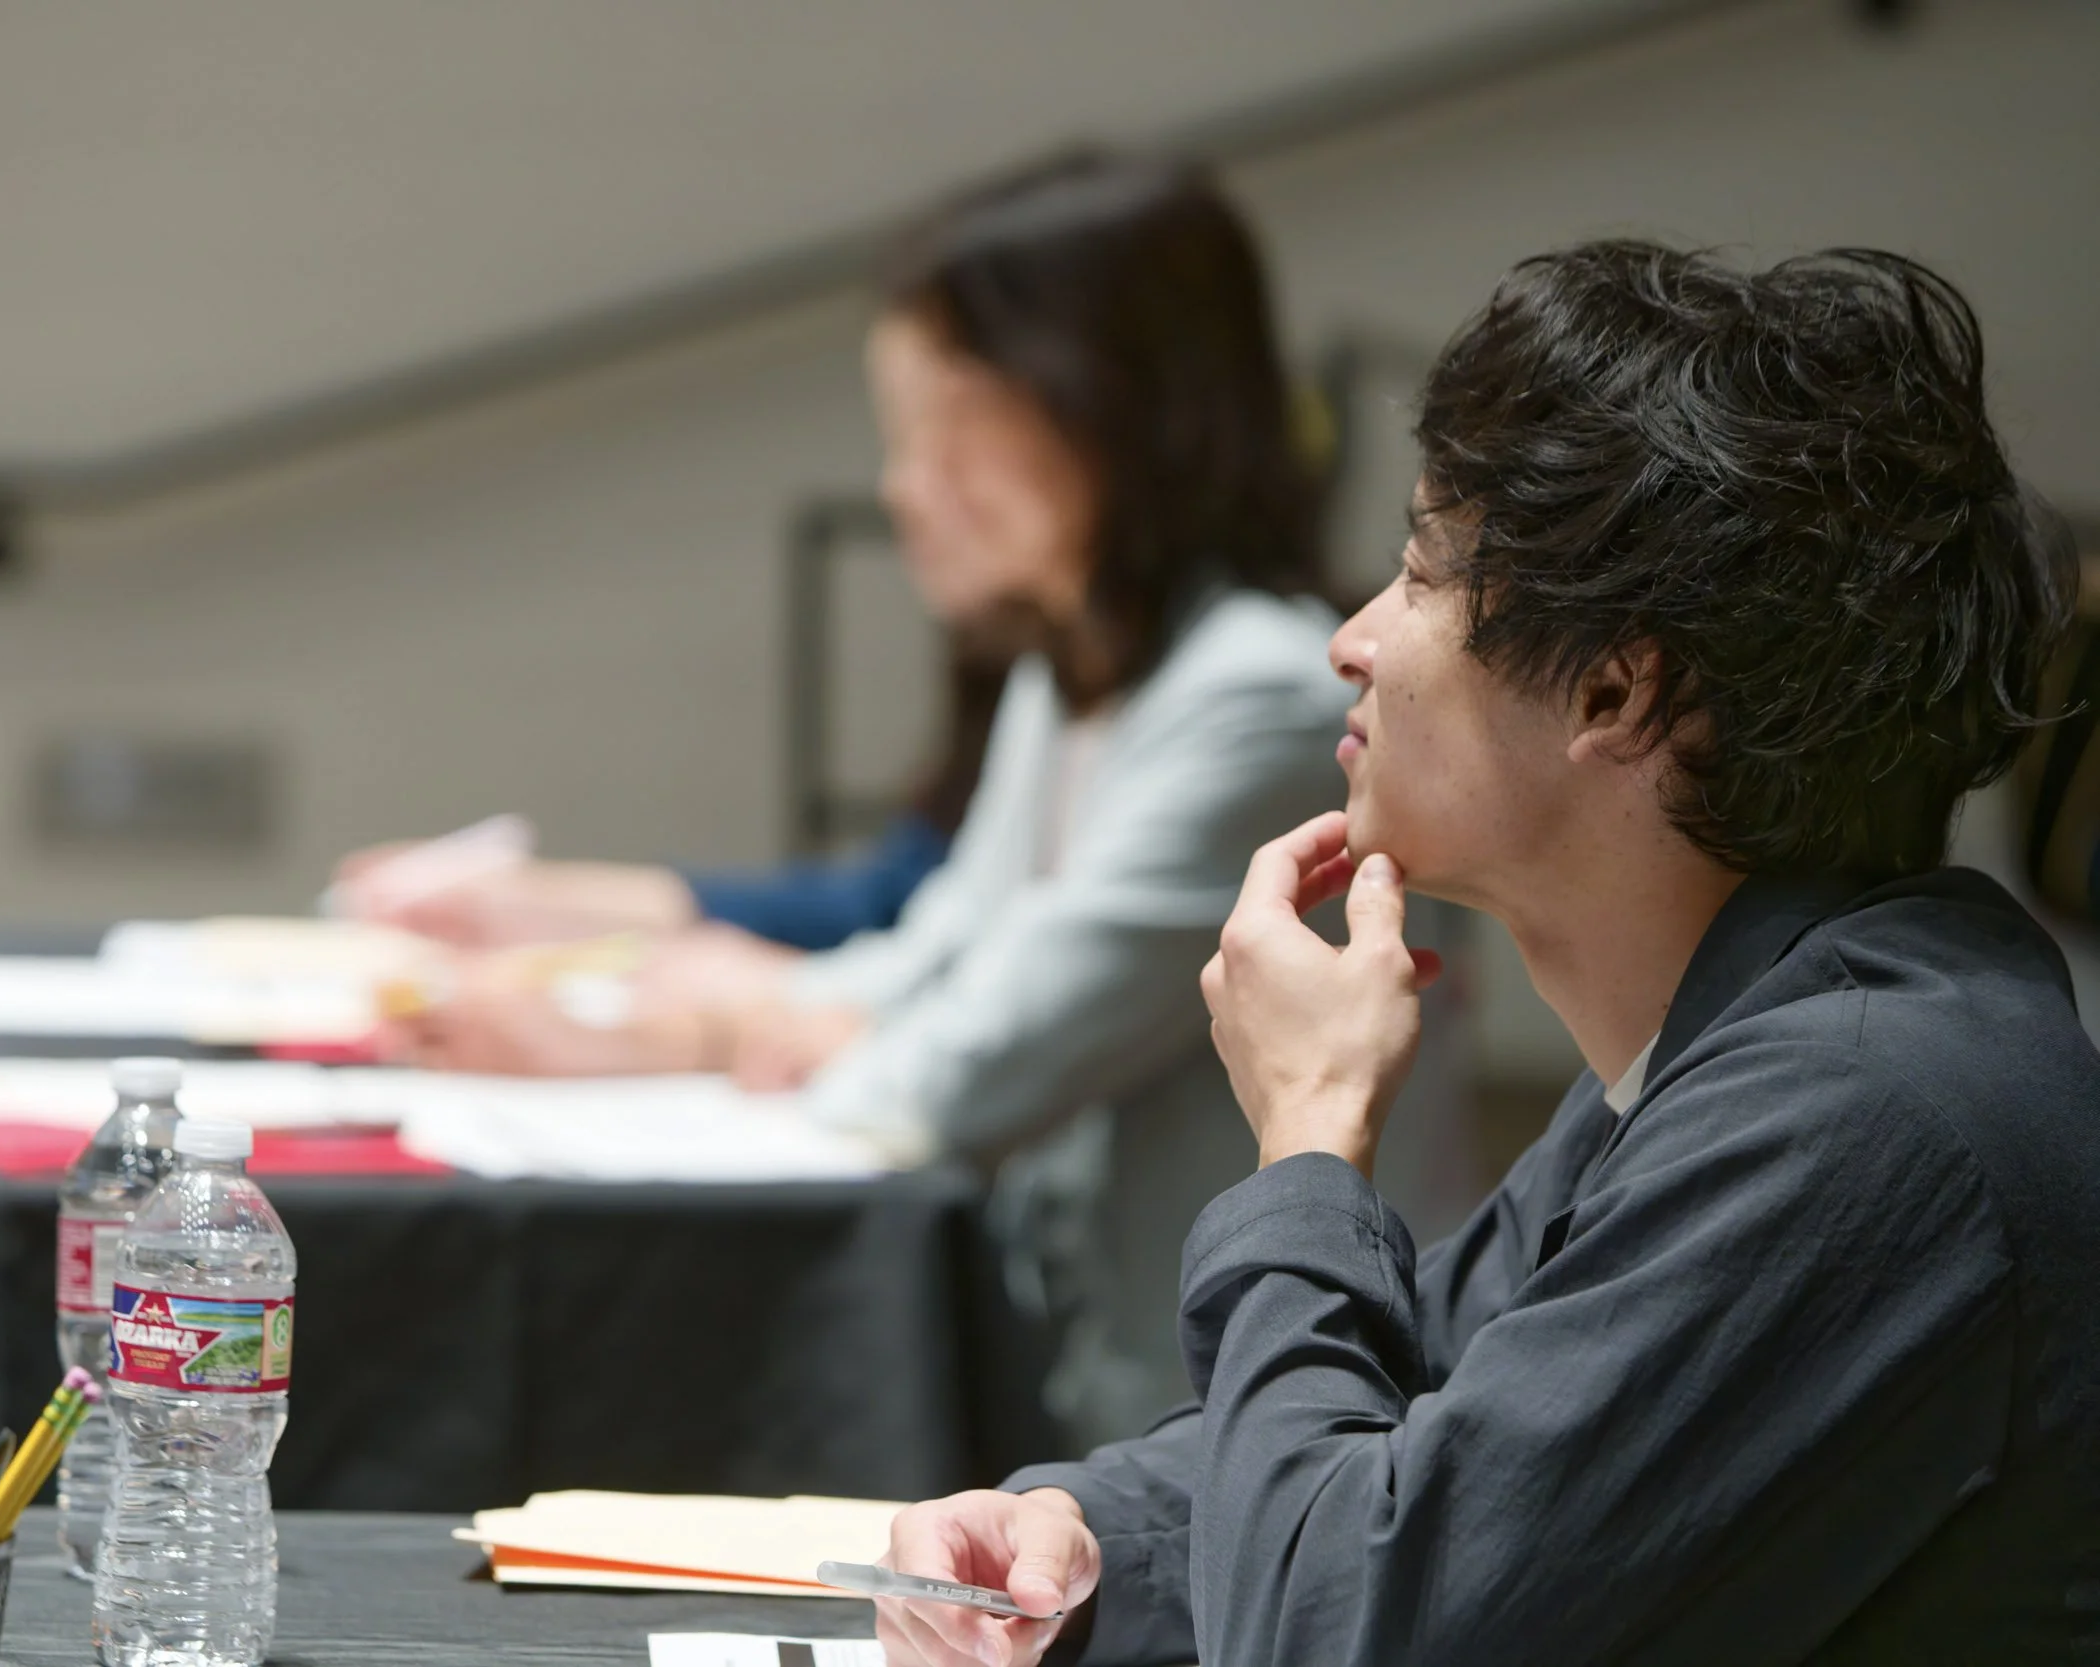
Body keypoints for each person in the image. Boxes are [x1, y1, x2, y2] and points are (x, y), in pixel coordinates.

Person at [871, 242, 2100, 1667]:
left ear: (1613, 687)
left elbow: (1344, 1627)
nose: (1353, 638)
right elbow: (1401, 1437)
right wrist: (1064, 1532)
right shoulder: (1751, 1036)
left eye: (1417, 572)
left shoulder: (1871, 1119)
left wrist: (1312, 1140)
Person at [379, 151, 1367, 1443]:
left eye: (952, 427)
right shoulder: (1079, 671)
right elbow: (943, 946)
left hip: (1223, 1405)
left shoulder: (1261, 695)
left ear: (1117, 407)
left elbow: (980, 1055)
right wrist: (677, 1008)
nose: (908, 486)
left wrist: (697, 1032)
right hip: (1093, 1362)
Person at [339, 628, 1011, 953]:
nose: (907, 488)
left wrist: (707, 1029)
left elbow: (894, 932)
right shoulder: (1025, 682)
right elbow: (884, 902)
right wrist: (531, 897)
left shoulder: (1058, 691)